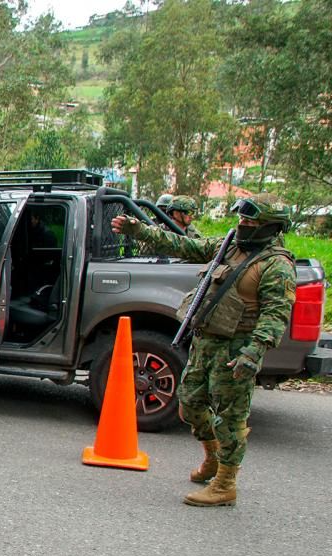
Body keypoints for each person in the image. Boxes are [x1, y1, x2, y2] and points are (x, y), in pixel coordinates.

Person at [112, 193, 296, 507]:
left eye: (251, 220)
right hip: (206, 342)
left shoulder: (275, 266)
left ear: (269, 226)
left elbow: (275, 315)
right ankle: (212, 458)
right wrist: (137, 229)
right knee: (189, 404)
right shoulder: (230, 247)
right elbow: (181, 244)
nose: (243, 224)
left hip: (236, 349)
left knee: (230, 418)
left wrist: (253, 353)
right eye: (242, 218)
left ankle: (225, 483)